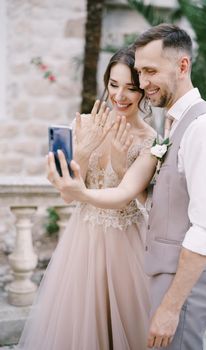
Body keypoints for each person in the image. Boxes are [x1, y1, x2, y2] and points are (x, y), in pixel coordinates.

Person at [47, 24, 206, 349]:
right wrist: (86, 153)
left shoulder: (191, 130)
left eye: (146, 74)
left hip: (150, 260)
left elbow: (205, 228)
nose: (141, 85)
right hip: (99, 246)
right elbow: (70, 188)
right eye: (115, 84)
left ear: (182, 66)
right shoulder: (175, 124)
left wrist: (171, 307)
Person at [17, 47, 156, 350]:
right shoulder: (84, 124)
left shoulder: (149, 140)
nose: (120, 95)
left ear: (143, 90)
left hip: (127, 244)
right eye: (114, 84)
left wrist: (121, 165)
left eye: (131, 88)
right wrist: (82, 150)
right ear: (106, 82)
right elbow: (66, 193)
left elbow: (127, 197)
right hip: (84, 240)